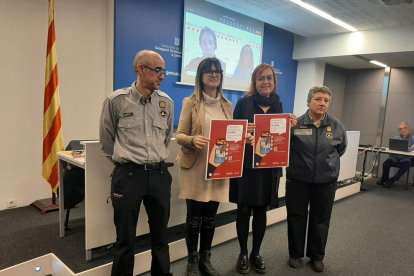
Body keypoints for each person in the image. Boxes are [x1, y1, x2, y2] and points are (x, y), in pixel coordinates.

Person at [99, 50, 174, 276]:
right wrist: (127, 162)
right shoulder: (116, 101)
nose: (162, 76)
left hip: (159, 176)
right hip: (128, 176)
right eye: (157, 70)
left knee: (161, 236)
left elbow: (166, 137)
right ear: (141, 69)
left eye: (163, 71)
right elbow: (106, 141)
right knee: (125, 239)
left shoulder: (166, 102)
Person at [176, 57, 251, 276]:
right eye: (209, 71)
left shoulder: (227, 105)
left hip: (219, 167)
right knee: (194, 217)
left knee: (210, 217)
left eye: (217, 71)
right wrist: (193, 140)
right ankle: (192, 261)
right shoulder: (190, 102)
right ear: (200, 76)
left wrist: (243, 137)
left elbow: (231, 133)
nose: (214, 75)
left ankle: (205, 260)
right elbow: (180, 135)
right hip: (195, 167)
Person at [229, 63, 297, 274]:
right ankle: (242, 252)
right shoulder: (243, 103)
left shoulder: (278, 106)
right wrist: (244, 133)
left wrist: (290, 128)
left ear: (274, 82)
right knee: (243, 210)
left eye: (269, 78)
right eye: (261, 78)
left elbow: (279, 139)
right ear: (254, 82)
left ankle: (255, 253)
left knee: (261, 211)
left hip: (268, 168)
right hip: (246, 167)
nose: (265, 82)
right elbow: (231, 135)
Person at [286, 86, 347, 273]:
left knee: (321, 219)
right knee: (296, 217)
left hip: (326, 181)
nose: (322, 103)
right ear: (308, 101)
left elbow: (341, 149)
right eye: (318, 99)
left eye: (326, 100)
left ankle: (317, 257)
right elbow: (285, 148)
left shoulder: (336, 126)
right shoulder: (296, 124)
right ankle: (295, 254)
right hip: (298, 180)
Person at [377, 122, 414, 188]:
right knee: (386, 163)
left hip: (406, 158)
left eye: (405, 128)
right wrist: (409, 147)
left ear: (408, 129)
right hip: (396, 156)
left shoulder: (413, 138)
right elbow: (392, 148)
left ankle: (393, 179)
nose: (403, 130)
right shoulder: (396, 138)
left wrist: (405, 148)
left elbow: (413, 149)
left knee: (407, 163)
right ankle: (384, 178)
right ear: (399, 131)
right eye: (401, 129)